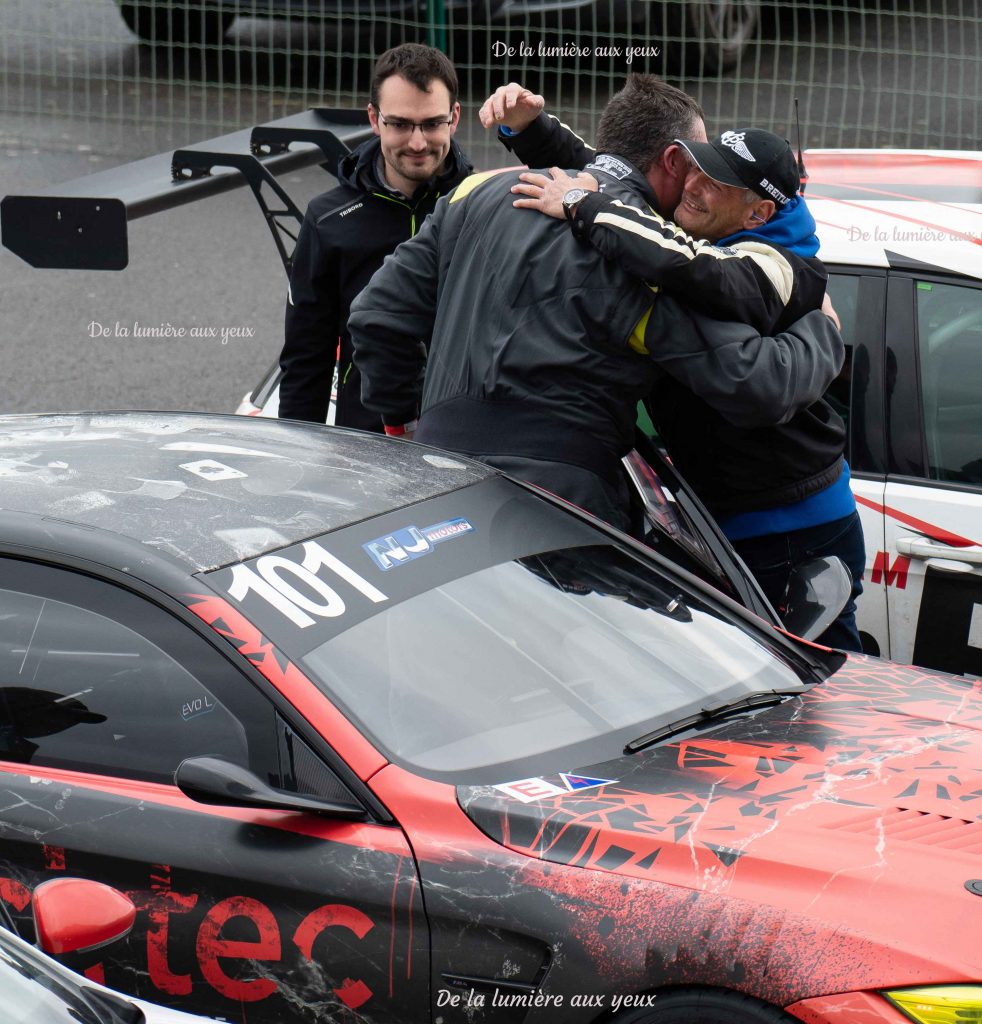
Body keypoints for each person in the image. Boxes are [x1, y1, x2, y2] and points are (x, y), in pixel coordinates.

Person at [347, 75, 842, 541]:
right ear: (673, 160)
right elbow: (755, 382)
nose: (698, 183)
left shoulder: (476, 192)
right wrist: (821, 327)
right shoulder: (646, 255)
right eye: (697, 164)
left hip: (439, 482)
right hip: (565, 503)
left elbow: (376, 315)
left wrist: (406, 428)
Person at [481, 83, 865, 652]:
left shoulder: (783, 266)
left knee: (820, 686)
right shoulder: (718, 223)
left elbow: (689, 268)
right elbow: (622, 180)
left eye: (717, 184)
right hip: (721, 517)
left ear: (758, 212)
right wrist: (535, 132)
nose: (693, 187)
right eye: (700, 168)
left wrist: (581, 206)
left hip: (794, 526)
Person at [276, 44, 473, 429]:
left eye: (432, 123)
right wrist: (295, 457)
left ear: (454, 118)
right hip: (368, 439)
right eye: (400, 124)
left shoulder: (479, 203)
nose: (417, 143)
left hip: (465, 436)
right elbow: (306, 358)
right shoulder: (328, 219)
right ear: (374, 118)